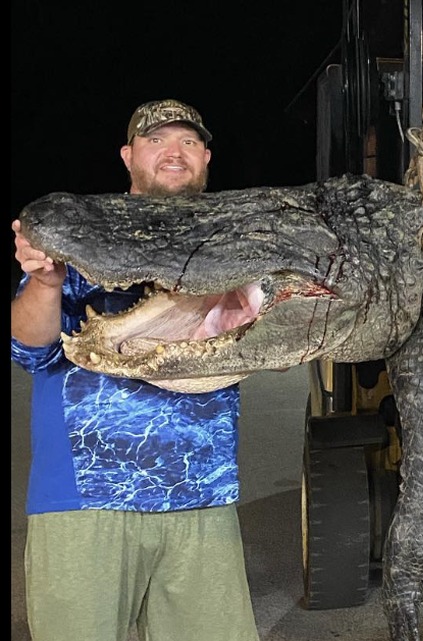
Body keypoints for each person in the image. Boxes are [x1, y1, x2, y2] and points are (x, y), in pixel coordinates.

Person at [11, 99, 260, 641]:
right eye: (156, 141)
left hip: (203, 496)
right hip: (84, 502)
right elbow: (30, 350)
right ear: (128, 156)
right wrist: (47, 282)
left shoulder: (235, 244)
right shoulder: (82, 233)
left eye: (188, 142)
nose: (174, 152)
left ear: (206, 157)